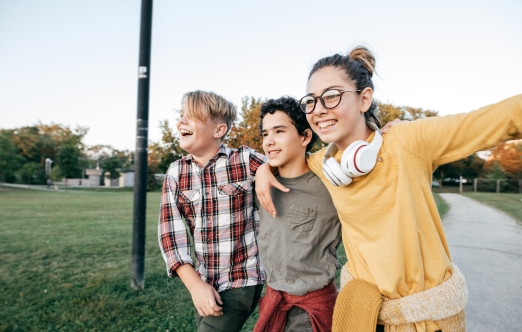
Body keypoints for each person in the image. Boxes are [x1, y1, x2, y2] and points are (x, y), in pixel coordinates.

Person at [255, 46, 522, 332]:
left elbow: (502, 118)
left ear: (364, 99)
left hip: (426, 319)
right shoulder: (323, 163)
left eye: (331, 96)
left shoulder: (408, 140)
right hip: (363, 315)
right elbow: (286, 156)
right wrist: (263, 170)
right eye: (311, 101)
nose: (319, 109)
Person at [158, 90, 266, 332]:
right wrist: (195, 286)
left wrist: (266, 171)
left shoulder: (244, 160)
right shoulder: (176, 173)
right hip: (204, 280)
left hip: (243, 278)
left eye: (192, 116)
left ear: (219, 130)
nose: (181, 121)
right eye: (181, 115)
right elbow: (170, 237)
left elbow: (287, 165)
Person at [252, 97, 341, 332]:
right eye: (265, 134)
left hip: (310, 311)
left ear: (305, 136)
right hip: (275, 302)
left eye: (279, 131)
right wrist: (263, 169)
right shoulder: (262, 187)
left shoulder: (329, 185)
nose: (269, 141)